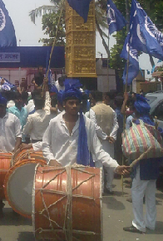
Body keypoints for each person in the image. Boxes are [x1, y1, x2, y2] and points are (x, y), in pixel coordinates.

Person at [42, 81, 130, 174]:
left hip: (81, 174)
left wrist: (115, 166)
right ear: (64, 104)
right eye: (71, 103)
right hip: (58, 173)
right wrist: (51, 160)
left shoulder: (88, 124)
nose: (74, 106)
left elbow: (98, 151)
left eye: (77, 103)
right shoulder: (55, 123)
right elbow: (45, 145)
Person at [123, 93, 163, 234]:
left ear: (136, 110)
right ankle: (151, 223)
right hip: (155, 163)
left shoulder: (137, 123)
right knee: (151, 194)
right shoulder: (154, 123)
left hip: (142, 163)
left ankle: (139, 224)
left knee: (137, 193)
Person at [0, 92, 22, 217]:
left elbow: (19, 136)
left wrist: (15, 151)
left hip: (11, 155)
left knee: (13, 182)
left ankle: (15, 207)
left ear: (3, 107)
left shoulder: (14, 119)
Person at [87, 91, 119, 194]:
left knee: (99, 165)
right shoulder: (111, 110)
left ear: (93, 100)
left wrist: (104, 136)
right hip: (109, 141)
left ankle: (100, 188)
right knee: (110, 165)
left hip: (99, 141)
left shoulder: (92, 110)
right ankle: (109, 187)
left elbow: (94, 126)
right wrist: (112, 136)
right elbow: (116, 125)